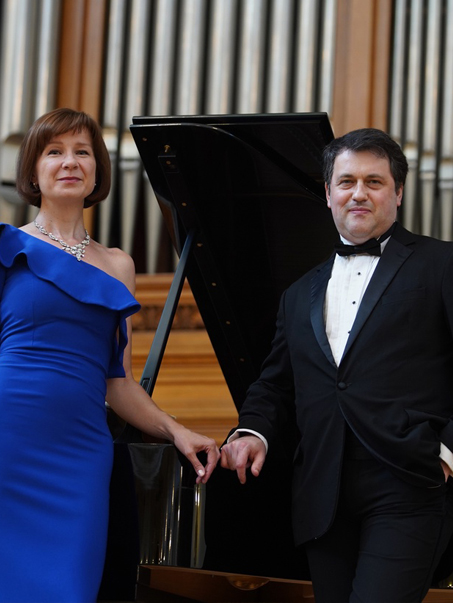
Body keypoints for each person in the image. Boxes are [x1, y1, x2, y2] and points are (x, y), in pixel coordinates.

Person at [220, 128, 453, 602]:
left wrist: (447, 452)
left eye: (374, 181)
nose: (359, 193)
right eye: (347, 181)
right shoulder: (297, 294)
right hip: (321, 492)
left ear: (398, 192)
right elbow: (276, 384)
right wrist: (252, 431)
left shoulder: (441, 263)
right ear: (328, 194)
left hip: (408, 481)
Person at [0, 107, 220, 603]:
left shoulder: (119, 265)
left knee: (70, 587)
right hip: (9, 435)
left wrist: (176, 430)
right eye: (54, 152)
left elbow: (118, 383)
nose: (69, 162)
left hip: (80, 451)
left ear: (98, 169)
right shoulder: (6, 246)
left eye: (82, 152)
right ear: (33, 170)